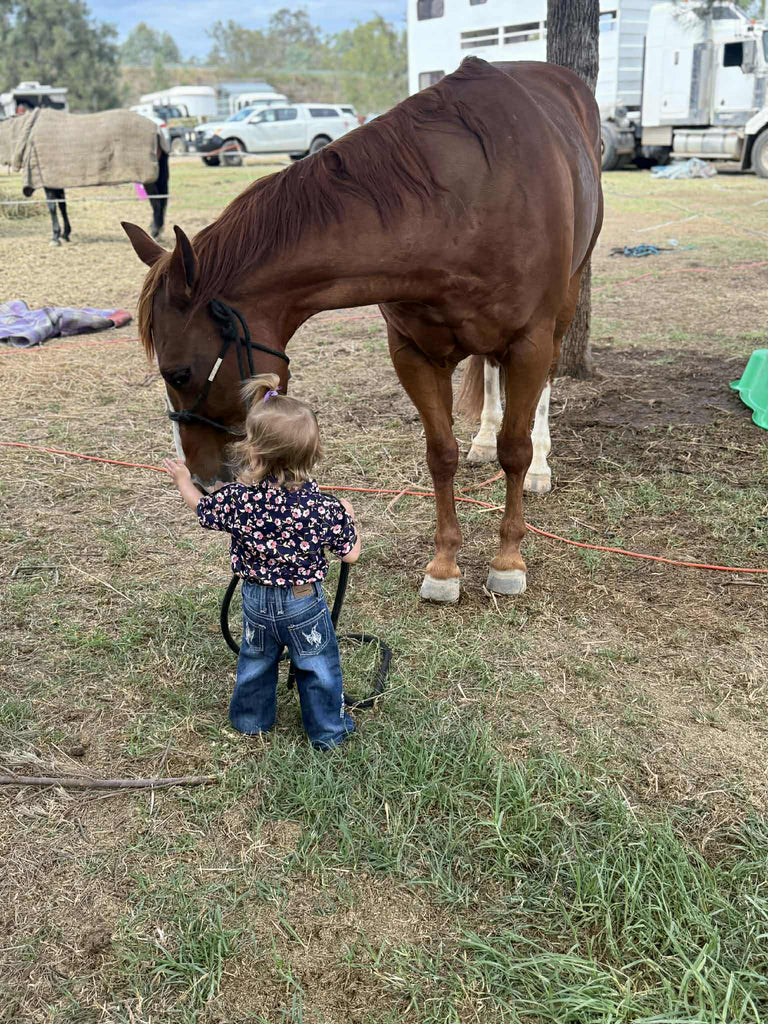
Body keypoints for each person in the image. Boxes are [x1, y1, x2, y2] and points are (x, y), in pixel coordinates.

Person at [164, 373, 361, 750]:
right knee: (317, 665)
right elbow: (350, 553)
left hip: (255, 601)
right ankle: (327, 733)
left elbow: (202, 509)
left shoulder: (239, 498)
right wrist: (348, 517)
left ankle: (250, 721)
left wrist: (183, 480)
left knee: (255, 660)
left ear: (252, 450)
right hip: (303, 601)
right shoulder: (324, 508)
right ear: (313, 453)